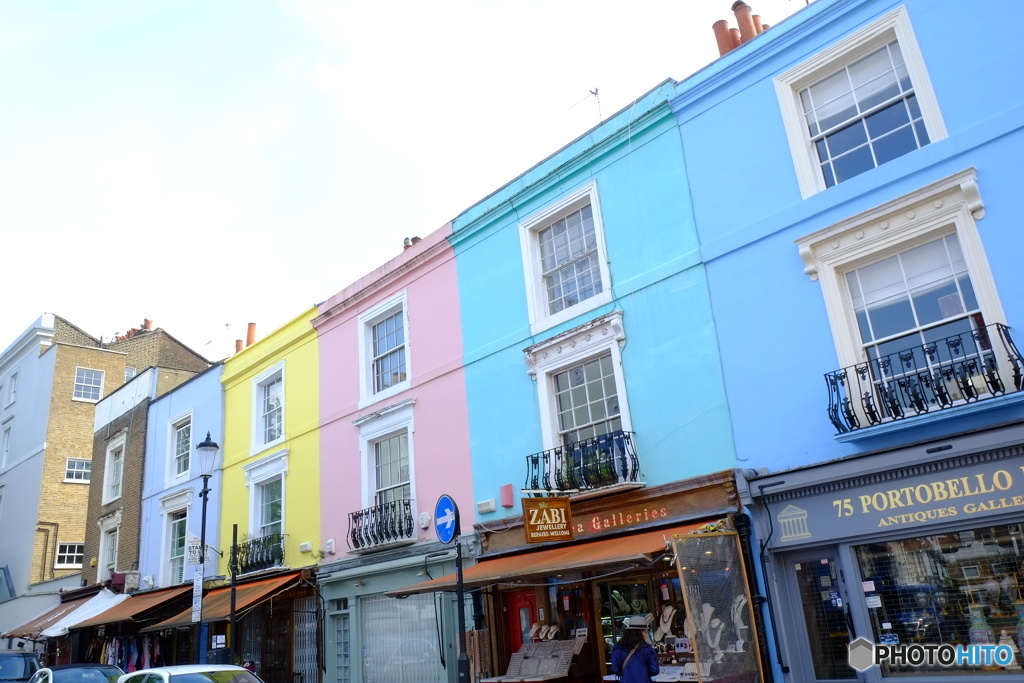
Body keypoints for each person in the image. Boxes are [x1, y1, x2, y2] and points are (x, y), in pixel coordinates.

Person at [611, 615, 659, 683]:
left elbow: (615, 669)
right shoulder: (648, 649)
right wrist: (643, 673)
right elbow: (654, 670)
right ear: (642, 631)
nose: (645, 633)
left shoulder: (618, 648)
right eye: (645, 631)